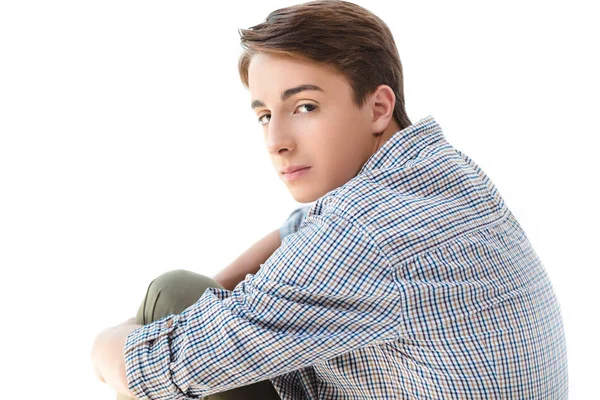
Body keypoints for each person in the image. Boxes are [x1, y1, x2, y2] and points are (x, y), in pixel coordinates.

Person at [90, 0, 569, 399]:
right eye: (263, 115)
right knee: (191, 299)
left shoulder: (362, 234)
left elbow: (157, 369)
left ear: (378, 107)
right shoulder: (439, 170)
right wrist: (218, 294)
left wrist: (109, 341)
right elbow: (299, 228)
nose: (276, 140)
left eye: (305, 107)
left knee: (170, 296)